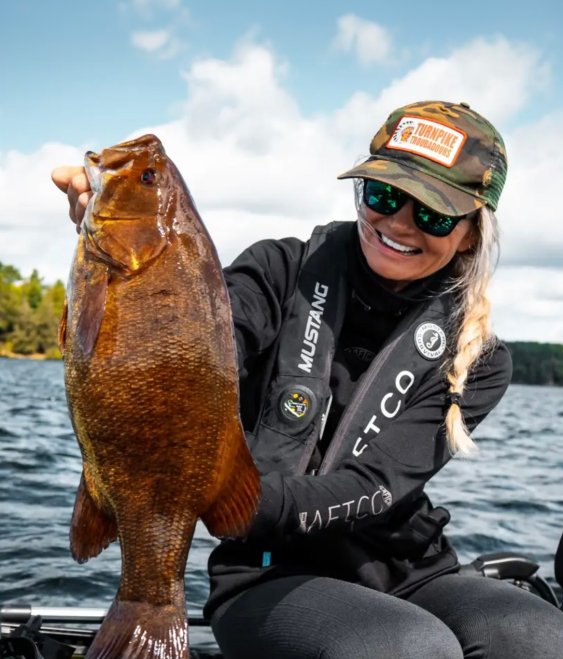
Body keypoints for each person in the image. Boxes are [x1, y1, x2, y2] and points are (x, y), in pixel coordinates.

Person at [52, 100, 563, 659]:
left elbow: (375, 484)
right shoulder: (276, 272)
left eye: (434, 215)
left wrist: (234, 499)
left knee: (536, 634)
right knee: (405, 647)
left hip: (413, 572)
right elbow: (188, 341)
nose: (397, 223)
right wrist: (115, 243)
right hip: (266, 574)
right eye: (384, 194)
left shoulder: (481, 358)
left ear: (469, 234)